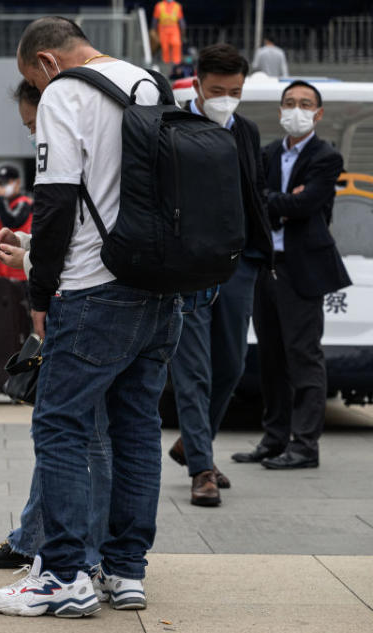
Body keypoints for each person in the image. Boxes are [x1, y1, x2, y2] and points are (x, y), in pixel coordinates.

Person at [0, 17, 182, 618]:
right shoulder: (152, 84)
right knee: (136, 430)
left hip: (94, 292)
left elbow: (55, 202)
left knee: (61, 427)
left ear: (46, 62)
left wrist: (39, 293)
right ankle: (125, 572)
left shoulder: (66, 93)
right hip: (159, 291)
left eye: (33, 80)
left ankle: (63, 573)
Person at [0, 79, 112, 572]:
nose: (35, 135)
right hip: (87, 305)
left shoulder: (79, 159)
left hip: (85, 310)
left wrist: (32, 268)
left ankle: (87, 558)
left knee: (81, 436)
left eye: (34, 125)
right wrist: (26, 248)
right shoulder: (96, 150)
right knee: (70, 431)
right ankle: (38, 539)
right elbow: (75, 238)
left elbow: (81, 254)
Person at [166, 44, 273, 508]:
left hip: (239, 261)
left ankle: (195, 440)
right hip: (187, 266)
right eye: (217, 91)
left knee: (230, 364)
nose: (226, 99)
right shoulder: (171, 125)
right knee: (194, 370)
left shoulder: (245, 131)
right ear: (196, 83)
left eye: (235, 91)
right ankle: (202, 470)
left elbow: (255, 191)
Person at [234, 81, 350, 470]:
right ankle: (274, 438)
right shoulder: (266, 154)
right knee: (271, 358)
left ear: (318, 113)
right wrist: (279, 204)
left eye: (304, 104)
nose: (295, 109)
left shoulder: (326, 156)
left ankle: (305, 445)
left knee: (303, 356)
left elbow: (306, 204)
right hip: (267, 265)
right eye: (288, 103)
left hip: (302, 269)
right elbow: (251, 201)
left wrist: (276, 202)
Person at [0, 165, 33, 281]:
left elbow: (11, 221)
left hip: (19, 272)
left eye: (7, 182)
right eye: (1, 183)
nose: (3, 186)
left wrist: (0, 198)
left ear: (17, 182)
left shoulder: (25, 202)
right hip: (3, 270)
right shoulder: (5, 204)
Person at [152, 0, 185, 65]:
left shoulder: (177, 6)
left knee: (176, 44)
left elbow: (181, 19)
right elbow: (155, 19)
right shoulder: (159, 6)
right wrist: (153, 29)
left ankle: (176, 63)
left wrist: (183, 29)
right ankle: (165, 63)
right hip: (163, 28)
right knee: (165, 47)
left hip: (174, 28)